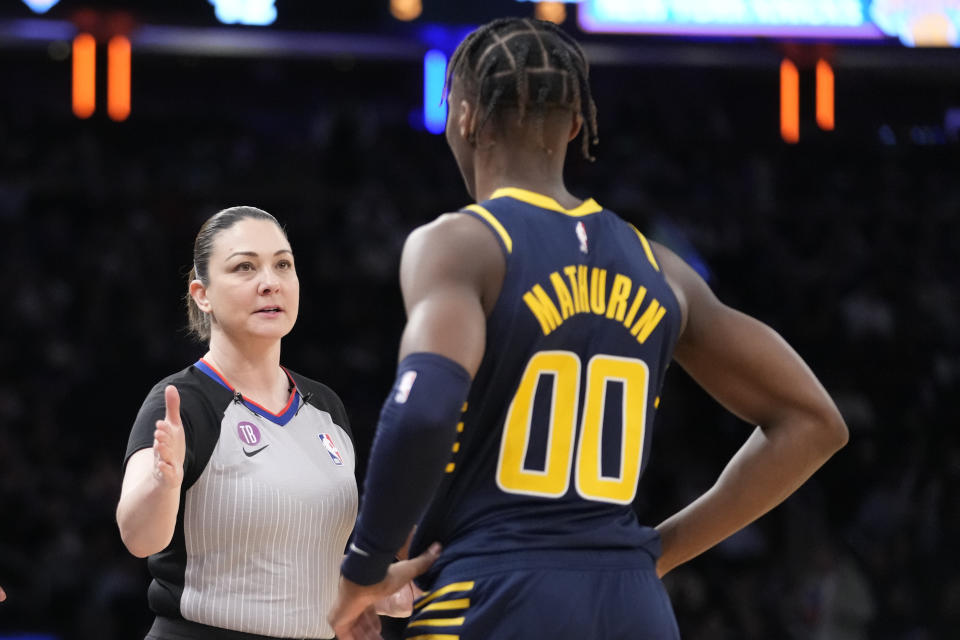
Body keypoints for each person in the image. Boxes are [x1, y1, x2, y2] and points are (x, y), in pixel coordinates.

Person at [329, 17, 849, 640]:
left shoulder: (462, 244)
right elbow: (814, 423)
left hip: (491, 593)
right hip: (633, 608)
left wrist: (366, 567)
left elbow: (422, 412)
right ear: (576, 125)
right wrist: (655, 552)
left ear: (464, 117)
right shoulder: (662, 268)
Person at [117, 206, 385, 639]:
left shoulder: (326, 406)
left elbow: (300, 555)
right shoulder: (181, 402)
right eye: (245, 267)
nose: (270, 282)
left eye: (283, 264)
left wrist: (372, 590)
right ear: (202, 294)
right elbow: (138, 537)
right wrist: (161, 483)